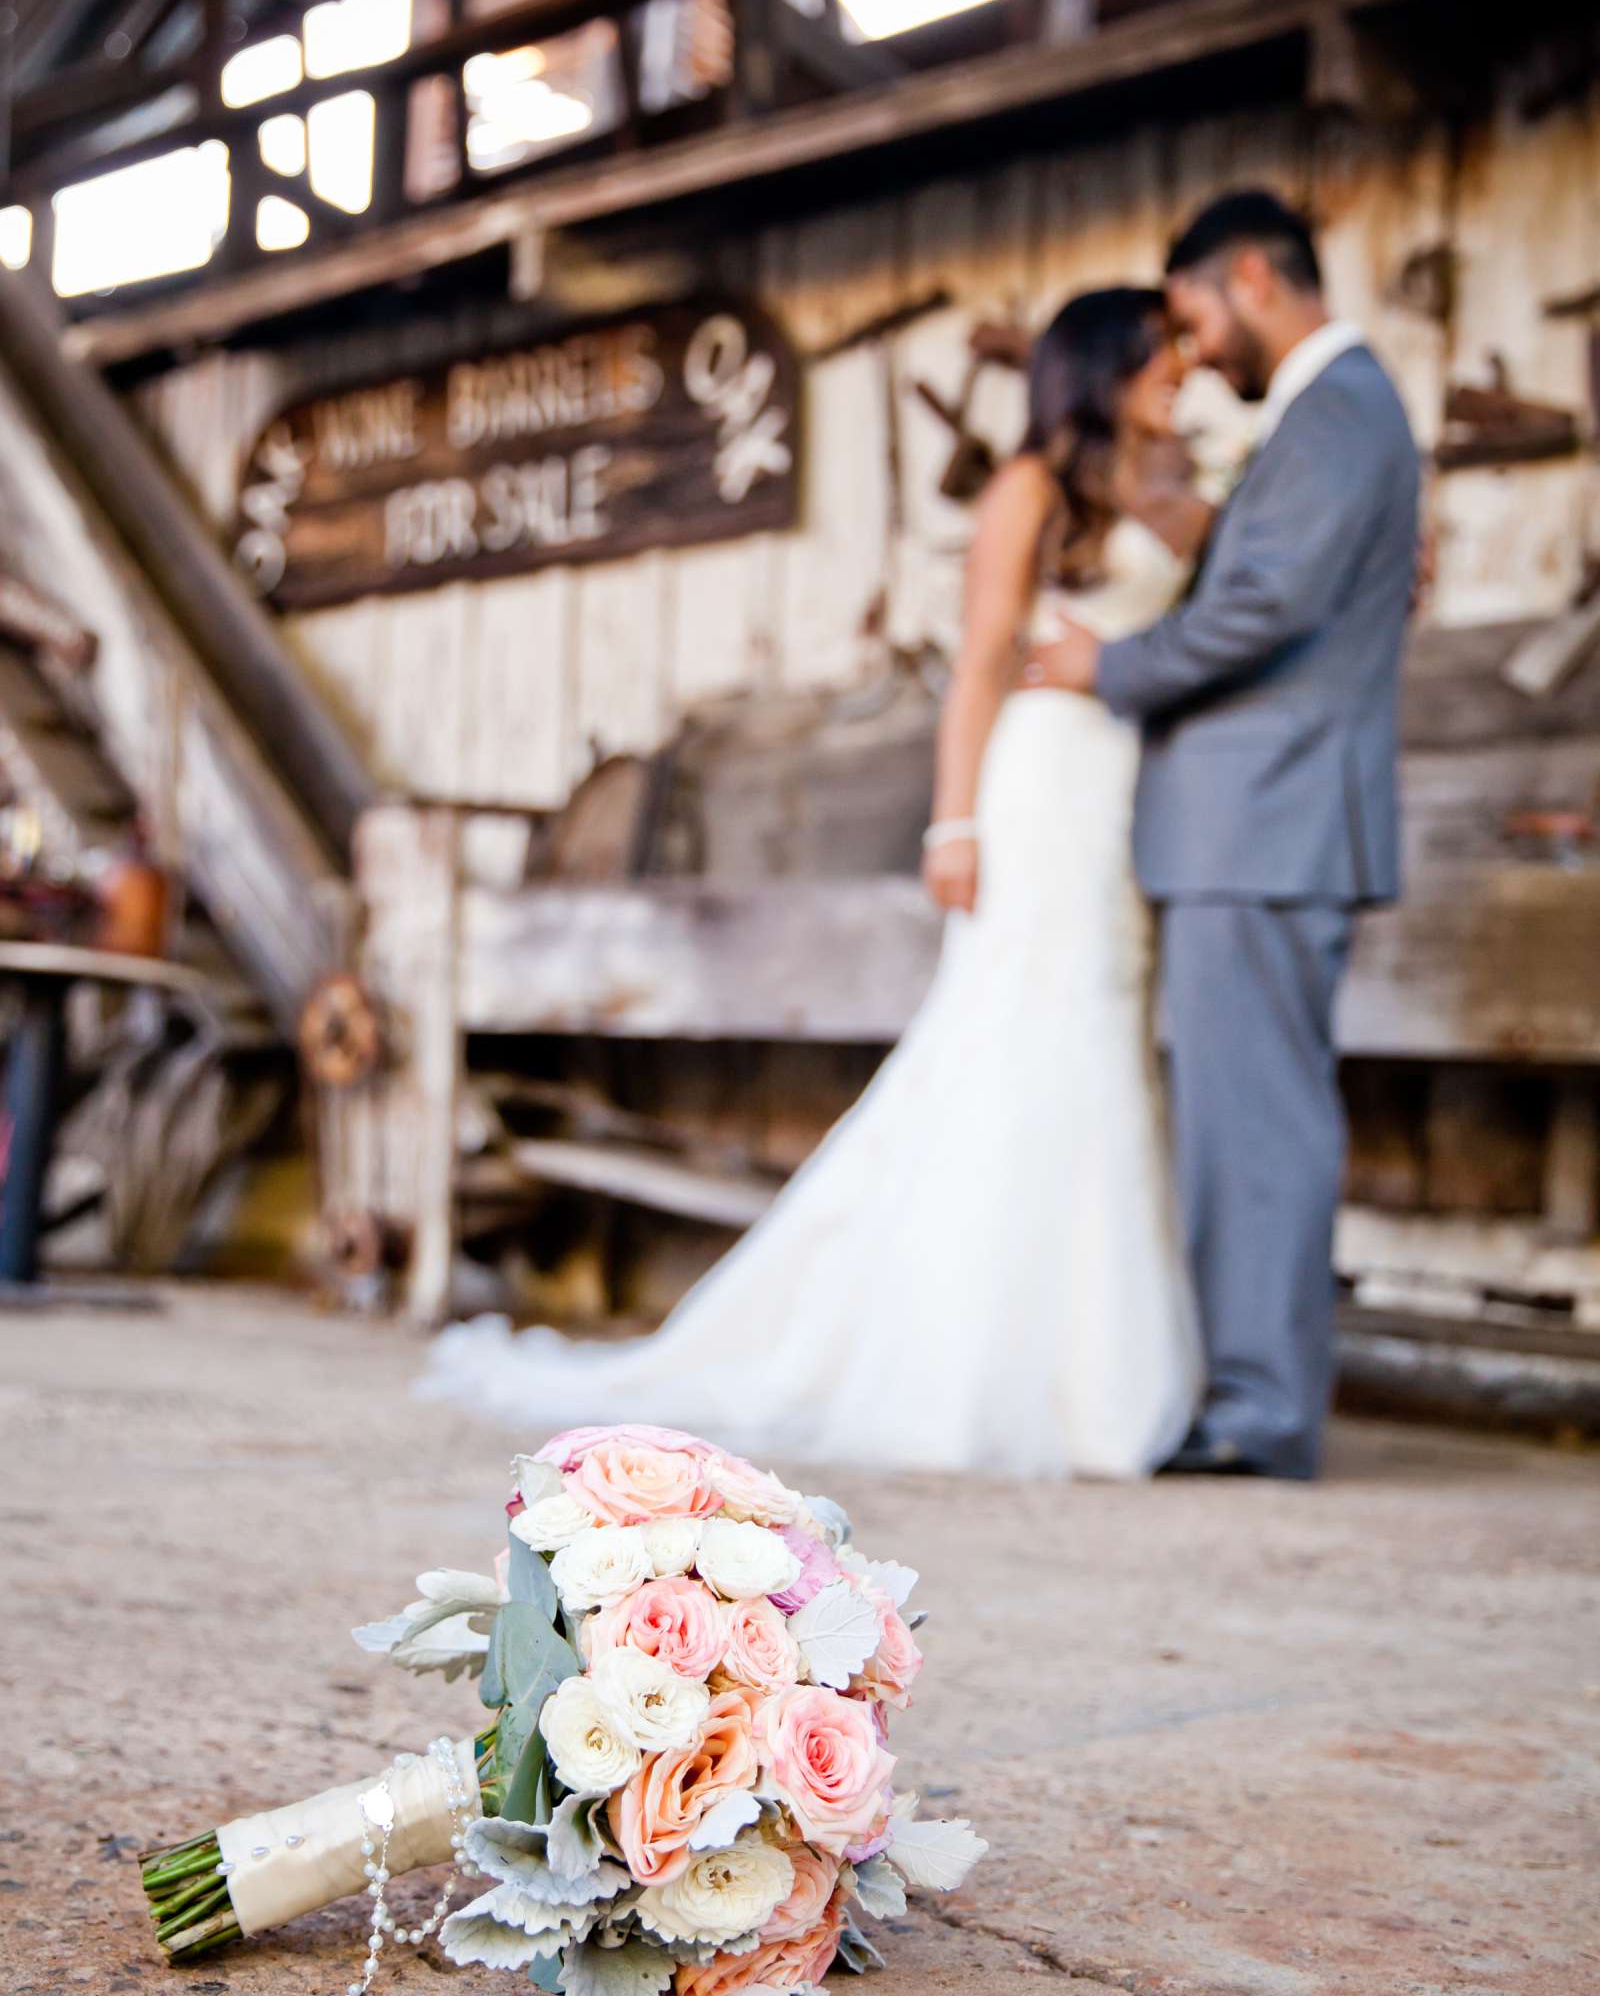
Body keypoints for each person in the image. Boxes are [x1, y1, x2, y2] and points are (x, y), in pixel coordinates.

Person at [423, 288, 1216, 1478]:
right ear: (1103, 366)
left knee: (1099, 1032)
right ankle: (971, 1367)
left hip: (1120, 792)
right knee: (1019, 1036)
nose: (1184, 369)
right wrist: (954, 820)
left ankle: (1097, 1374)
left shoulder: (1167, 489)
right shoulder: (1029, 491)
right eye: (1163, 352)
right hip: (1041, 782)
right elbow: (981, 666)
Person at [1021, 191, 1420, 1480]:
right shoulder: (1323, 418)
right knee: (1242, 1121)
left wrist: (1110, 664)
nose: (1192, 346)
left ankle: (1257, 1412)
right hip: (1254, 824)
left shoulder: (1339, 406)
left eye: (1190, 309)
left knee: (1257, 1129)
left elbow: (1264, 607)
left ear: (1248, 274)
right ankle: (1243, 1390)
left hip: (1268, 821)